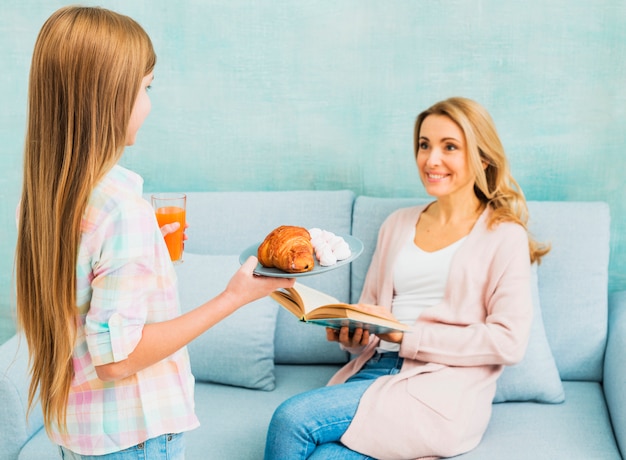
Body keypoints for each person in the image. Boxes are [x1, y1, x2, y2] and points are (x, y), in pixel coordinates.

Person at [15, 6, 293, 459]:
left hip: (80, 434)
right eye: (146, 88)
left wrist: (152, 258)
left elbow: (82, 302)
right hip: (134, 438)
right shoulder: (123, 211)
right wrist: (234, 297)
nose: (149, 103)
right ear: (107, 97)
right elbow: (117, 360)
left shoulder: (41, 200)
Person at [264, 97, 550, 460]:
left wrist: (406, 335)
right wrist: (354, 336)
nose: (431, 160)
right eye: (424, 145)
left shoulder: (503, 235)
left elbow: (509, 342)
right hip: (374, 372)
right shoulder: (397, 223)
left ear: (482, 157)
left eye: (450, 147)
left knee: (292, 418)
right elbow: (373, 313)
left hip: (442, 386)